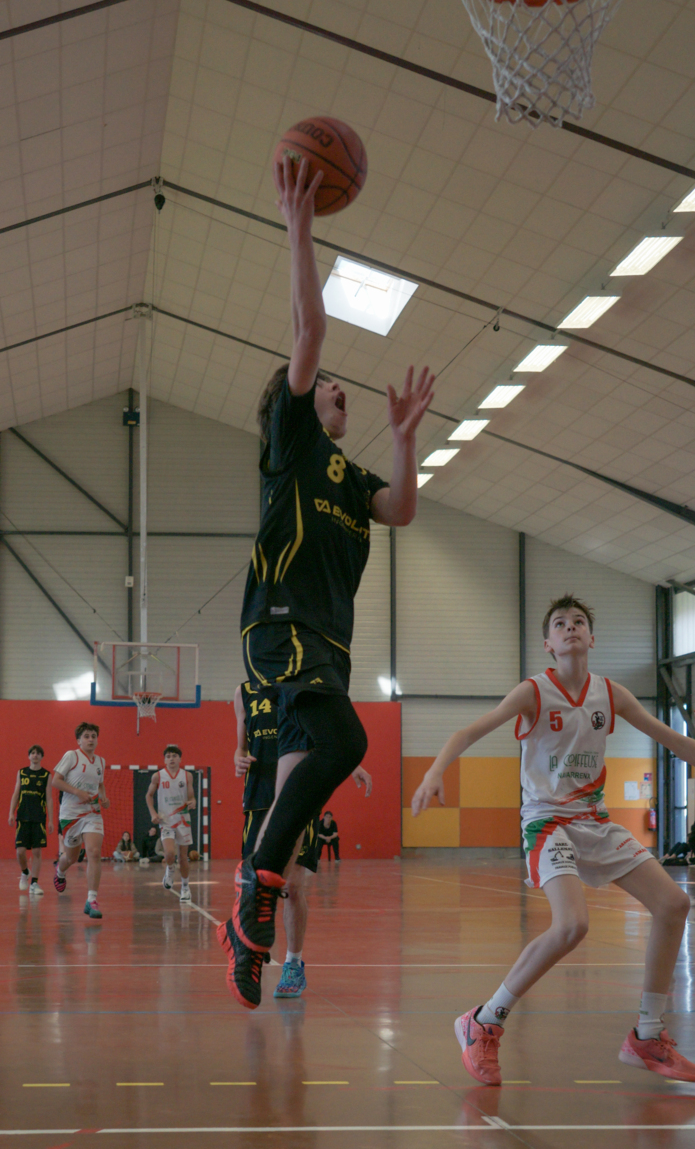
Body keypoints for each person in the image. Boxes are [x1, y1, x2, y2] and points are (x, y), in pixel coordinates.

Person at [411, 594, 695, 1086]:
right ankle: (483, 1020)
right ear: (549, 644)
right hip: (547, 821)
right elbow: (468, 732)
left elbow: (680, 742)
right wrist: (435, 771)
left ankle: (647, 1034)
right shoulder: (533, 692)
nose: (570, 627)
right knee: (573, 925)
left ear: (591, 638)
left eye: (578, 622)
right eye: (559, 624)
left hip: (595, 821)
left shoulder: (609, 694)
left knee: (674, 904)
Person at [218, 152, 434, 1007]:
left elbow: (403, 509)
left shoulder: (350, 480)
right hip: (281, 626)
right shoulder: (292, 445)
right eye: (328, 386)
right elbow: (308, 334)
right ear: (299, 402)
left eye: (340, 388)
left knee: (295, 790)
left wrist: (405, 439)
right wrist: (299, 228)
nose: (338, 389)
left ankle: (250, 932)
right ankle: (259, 889)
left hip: (326, 647)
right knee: (347, 745)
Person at [227, 680, 371, 1005]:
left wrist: (352, 765)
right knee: (255, 880)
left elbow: (326, 733)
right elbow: (241, 746)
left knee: (291, 886)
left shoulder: (302, 682)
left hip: (299, 793)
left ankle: (293, 964)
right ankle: (250, 949)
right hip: (259, 795)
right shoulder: (243, 692)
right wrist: (238, 757)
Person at [52, 722, 110, 919]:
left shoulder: (101, 762)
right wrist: (77, 792)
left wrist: (104, 797)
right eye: (86, 736)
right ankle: (60, 872)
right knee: (71, 858)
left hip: (92, 812)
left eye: (93, 736)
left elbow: (100, 785)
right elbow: (56, 781)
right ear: (79, 740)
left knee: (94, 852)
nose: (90, 739)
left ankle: (91, 899)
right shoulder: (72, 756)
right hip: (71, 814)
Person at [146, 746, 196, 903]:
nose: (171, 758)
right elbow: (149, 795)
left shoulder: (187, 776)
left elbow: (191, 797)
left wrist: (193, 802)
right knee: (169, 854)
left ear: (180, 759)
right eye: (168, 756)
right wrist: (153, 813)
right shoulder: (158, 776)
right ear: (164, 760)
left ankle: (185, 888)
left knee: (183, 857)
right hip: (166, 821)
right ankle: (169, 870)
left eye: (174, 756)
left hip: (183, 820)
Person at [8, 745, 53, 895]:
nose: (35, 755)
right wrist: (11, 813)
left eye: (38, 753)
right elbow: (16, 794)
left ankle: (34, 883)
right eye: (33, 753)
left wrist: (51, 820)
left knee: (37, 851)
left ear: (42, 757)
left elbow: (49, 799)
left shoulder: (46, 775)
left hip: (38, 817)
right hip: (23, 817)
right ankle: (25, 872)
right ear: (29, 756)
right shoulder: (22, 773)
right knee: (20, 851)